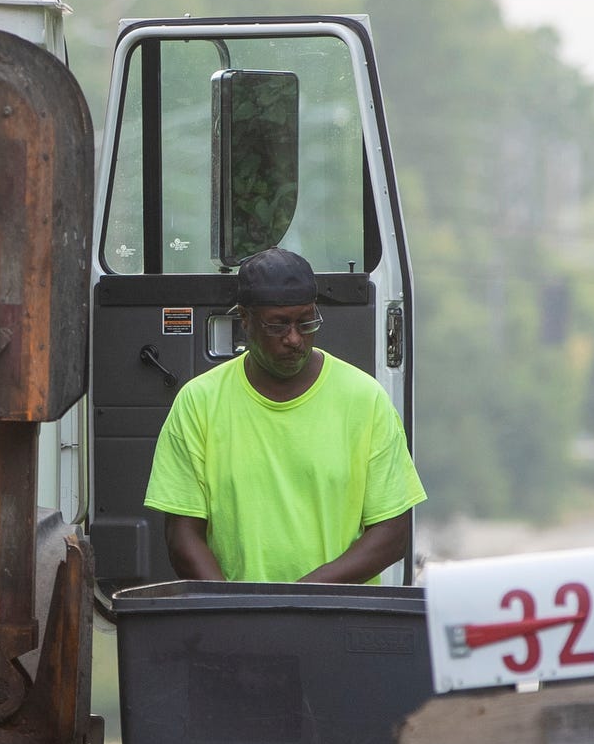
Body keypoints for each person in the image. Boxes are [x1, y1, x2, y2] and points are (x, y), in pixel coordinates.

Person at [143, 247, 424, 583]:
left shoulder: (366, 400)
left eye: (306, 321)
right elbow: (182, 537)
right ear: (244, 320)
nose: (294, 339)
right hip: (238, 627)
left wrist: (303, 599)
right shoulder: (198, 403)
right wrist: (235, 613)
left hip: (335, 622)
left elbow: (393, 534)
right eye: (278, 325)